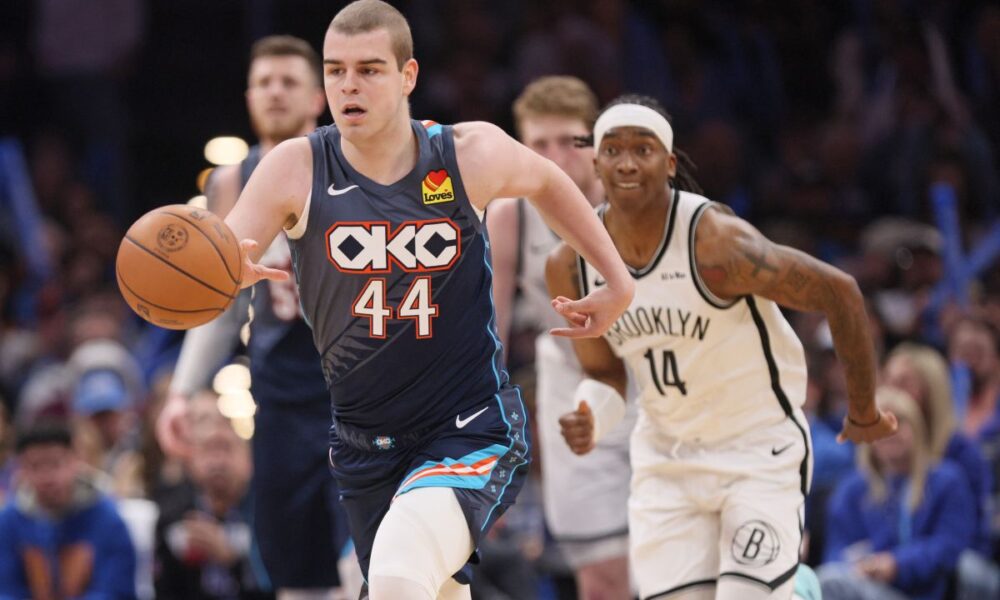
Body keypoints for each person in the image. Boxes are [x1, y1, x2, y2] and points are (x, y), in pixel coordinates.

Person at [221, 2, 634, 599]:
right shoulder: (294, 166)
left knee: (397, 575)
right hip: (363, 444)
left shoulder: (465, 153)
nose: (348, 85)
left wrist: (617, 280)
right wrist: (217, 274)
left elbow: (548, 180)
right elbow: (221, 260)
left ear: (408, 75)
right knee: (429, 589)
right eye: (335, 71)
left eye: (369, 69)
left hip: (467, 427)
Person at [549, 95, 896, 600]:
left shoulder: (714, 244)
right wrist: (590, 414)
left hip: (754, 446)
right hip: (666, 459)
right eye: (613, 150)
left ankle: (794, 589)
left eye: (643, 149)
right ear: (596, 163)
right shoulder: (569, 263)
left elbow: (839, 291)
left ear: (670, 163)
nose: (626, 163)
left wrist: (864, 410)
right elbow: (605, 374)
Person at [155, 35, 352, 600]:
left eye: (289, 81)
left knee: (363, 570)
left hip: (354, 394)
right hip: (279, 397)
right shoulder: (231, 181)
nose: (275, 92)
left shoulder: (350, 166)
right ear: (248, 97)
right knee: (294, 576)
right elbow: (218, 302)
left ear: (317, 97)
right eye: (264, 82)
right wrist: (183, 391)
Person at [486, 75, 634, 598]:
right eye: (539, 144)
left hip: (652, 380)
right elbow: (489, 337)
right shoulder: (510, 215)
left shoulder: (638, 203)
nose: (554, 158)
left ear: (597, 144)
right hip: (572, 383)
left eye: (570, 141)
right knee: (601, 575)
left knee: (677, 568)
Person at [819, 387, 975, 600]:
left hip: (922, 592)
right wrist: (863, 566)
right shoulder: (852, 490)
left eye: (898, 421)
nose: (889, 432)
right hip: (861, 584)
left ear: (917, 427)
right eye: (878, 424)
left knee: (831, 584)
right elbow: (835, 552)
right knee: (818, 580)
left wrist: (896, 564)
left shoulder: (946, 480)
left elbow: (949, 546)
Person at [0, 421, 137, 600]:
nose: (47, 477)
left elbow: (115, 591)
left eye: (56, 464)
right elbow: (6, 590)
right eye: (35, 466)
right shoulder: (9, 521)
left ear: (75, 461)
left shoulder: (107, 519)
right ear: (21, 470)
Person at [154, 392, 271, 600]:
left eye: (226, 448)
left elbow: (280, 588)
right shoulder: (174, 515)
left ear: (249, 460)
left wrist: (233, 559)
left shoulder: (269, 515)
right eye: (208, 449)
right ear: (191, 461)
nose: (218, 462)